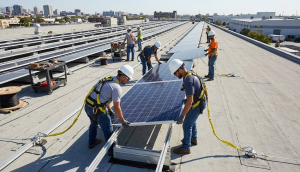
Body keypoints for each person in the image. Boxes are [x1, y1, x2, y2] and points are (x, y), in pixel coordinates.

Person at [84, 65, 134, 155]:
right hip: (98, 111)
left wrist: (108, 109)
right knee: (108, 129)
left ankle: (91, 142)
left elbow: (102, 96)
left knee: (93, 123)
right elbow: (117, 107)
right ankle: (111, 151)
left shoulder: (109, 79)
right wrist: (122, 121)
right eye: (128, 79)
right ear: (123, 77)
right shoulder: (116, 88)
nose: (128, 81)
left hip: (88, 107)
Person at [168, 59, 206, 154]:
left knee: (186, 124)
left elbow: (190, 101)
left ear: (180, 70)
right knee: (192, 121)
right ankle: (193, 139)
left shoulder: (188, 80)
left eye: (175, 73)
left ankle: (186, 147)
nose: (174, 75)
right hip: (199, 102)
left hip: (197, 105)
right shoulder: (188, 73)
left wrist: (182, 116)